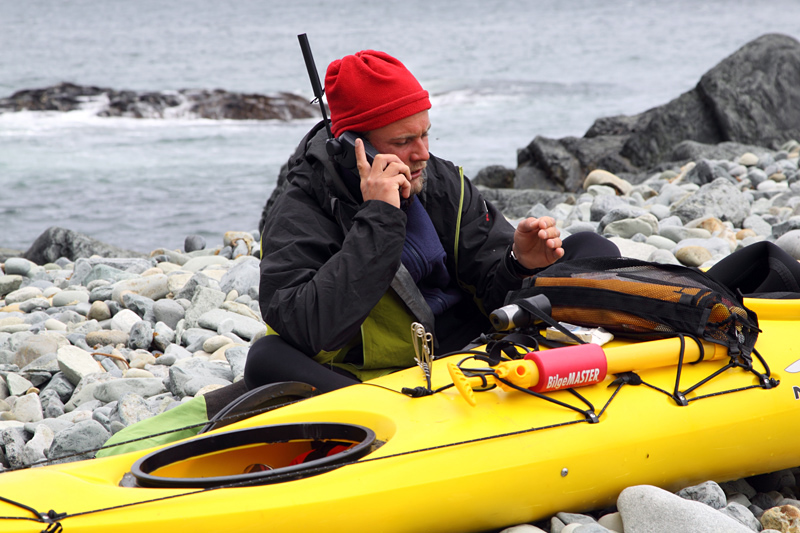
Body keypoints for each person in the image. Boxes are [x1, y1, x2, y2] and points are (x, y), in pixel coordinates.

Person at [245, 50, 619, 393]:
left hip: (476, 344)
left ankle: (585, 355)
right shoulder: (300, 207)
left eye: (425, 133)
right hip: (378, 373)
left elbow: (493, 289)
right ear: (352, 148)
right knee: (267, 358)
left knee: (592, 249)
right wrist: (379, 216)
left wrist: (517, 263)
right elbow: (308, 329)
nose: (423, 153)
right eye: (404, 140)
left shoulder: (440, 180)